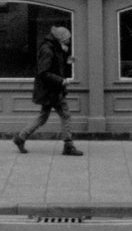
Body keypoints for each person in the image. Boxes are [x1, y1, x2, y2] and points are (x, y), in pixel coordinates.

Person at [12, 25, 83, 156]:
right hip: (52, 90)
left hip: (50, 90)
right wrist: (62, 81)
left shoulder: (55, 48)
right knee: (65, 115)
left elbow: (59, 65)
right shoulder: (48, 50)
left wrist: (67, 55)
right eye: (67, 39)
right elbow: (44, 72)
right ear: (60, 39)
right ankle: (68, 145)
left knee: (43, 117)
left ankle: (21, 137)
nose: (69, 41)